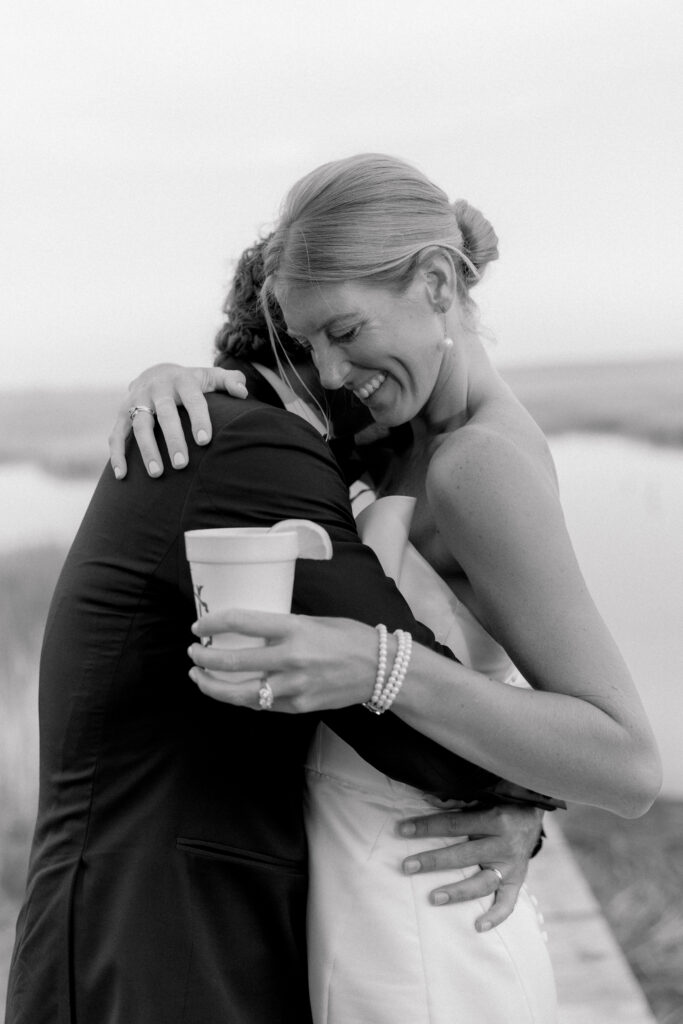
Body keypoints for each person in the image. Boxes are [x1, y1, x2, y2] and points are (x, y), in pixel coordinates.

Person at [113, 154, 661, 1024]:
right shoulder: (398, 433)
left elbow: (626, 763)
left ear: (436, 282)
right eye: (307, 344)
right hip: (370, 904)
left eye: (345, 331)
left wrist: (379, 663)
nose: (329, 373)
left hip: (424, 929)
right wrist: (172, 383)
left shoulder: (475, 466)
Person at [4, 254, 551, 1024]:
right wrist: (532, 799)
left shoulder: (245, 432)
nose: (347, 371)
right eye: (329, 338)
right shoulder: (251, 447)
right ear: (290, 337)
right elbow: (408, 714)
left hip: (176, 924)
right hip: (156, 944)